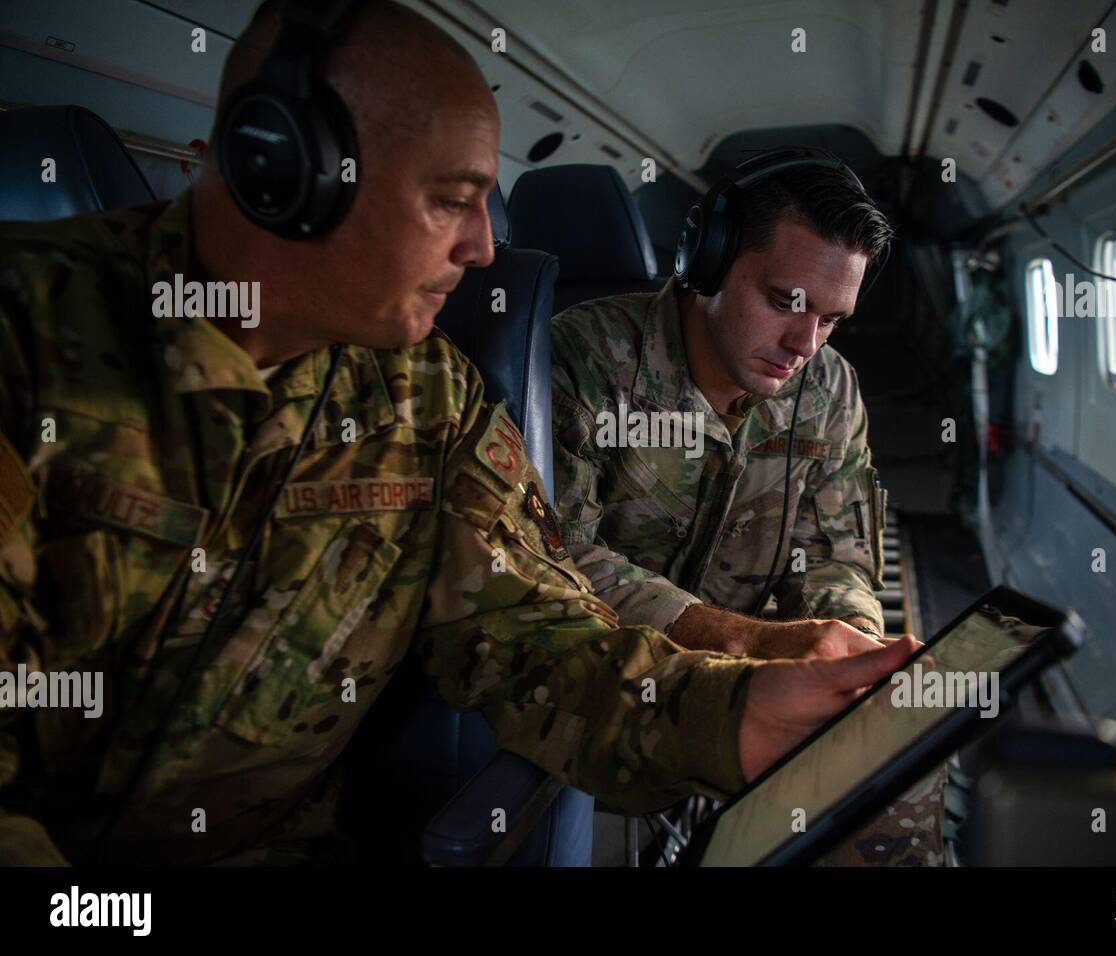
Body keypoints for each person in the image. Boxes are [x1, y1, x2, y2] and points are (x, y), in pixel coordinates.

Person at [0, 0, 918, 866]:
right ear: (281, 175)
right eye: (452, 199)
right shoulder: (27, 340)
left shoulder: (428, 394)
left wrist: (734, 711)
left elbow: (535, 626)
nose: (485, 247)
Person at [550, 155, 946, 864]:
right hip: (607, 686)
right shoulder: (583, 359)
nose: (805, 346)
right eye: (787, 302)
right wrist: (751, 642)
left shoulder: (829, 389)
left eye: (831, 319)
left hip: (760, 691)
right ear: (709, 259)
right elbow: (558, 559)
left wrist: (849, 654)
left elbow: (836, 553)